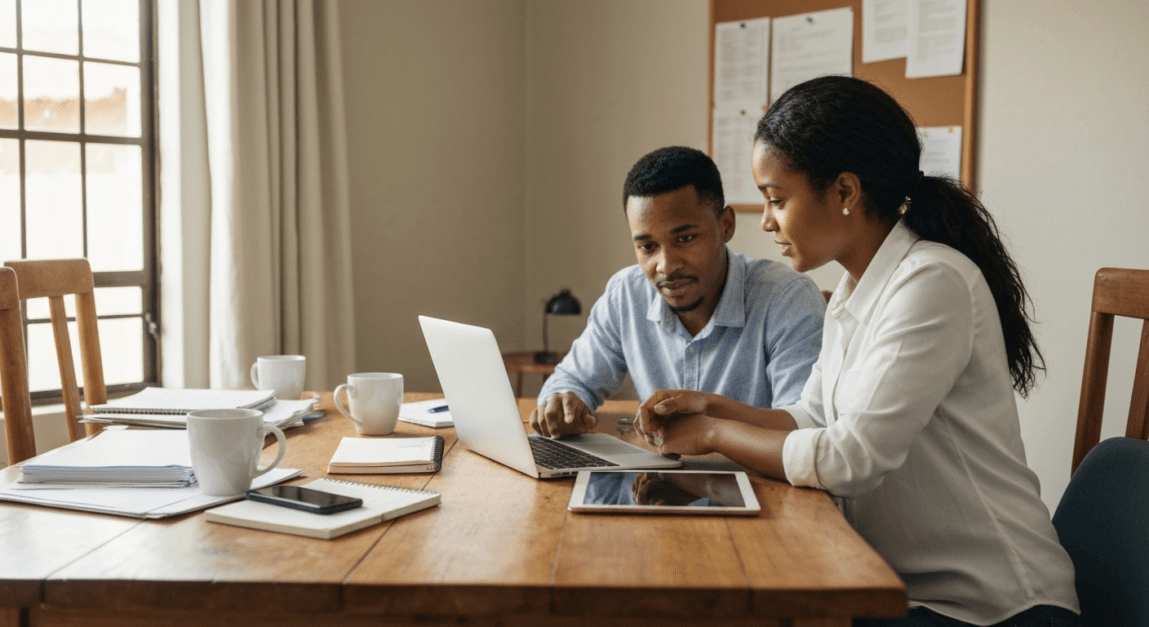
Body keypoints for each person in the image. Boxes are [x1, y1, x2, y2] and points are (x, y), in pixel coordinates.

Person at [634, 77, 1080, 627]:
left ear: (844, 192)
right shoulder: (855, 287)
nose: (766, 220)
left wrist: (713, 436)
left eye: (776, 199)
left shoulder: (931, 281)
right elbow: (814, 417)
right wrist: (712, 409)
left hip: (996, 606)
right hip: (897, 586)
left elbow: (850, 458)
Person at [530, 146, 825, 438]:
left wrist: (711, 427)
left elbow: (803, 428)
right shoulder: (626, 294)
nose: (667, 266)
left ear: (726, 225)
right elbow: (572, 379)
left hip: (758, 481)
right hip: (659, 479)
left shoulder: (788, 299)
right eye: (647, 246)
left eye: (685, 238)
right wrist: (563, 401)